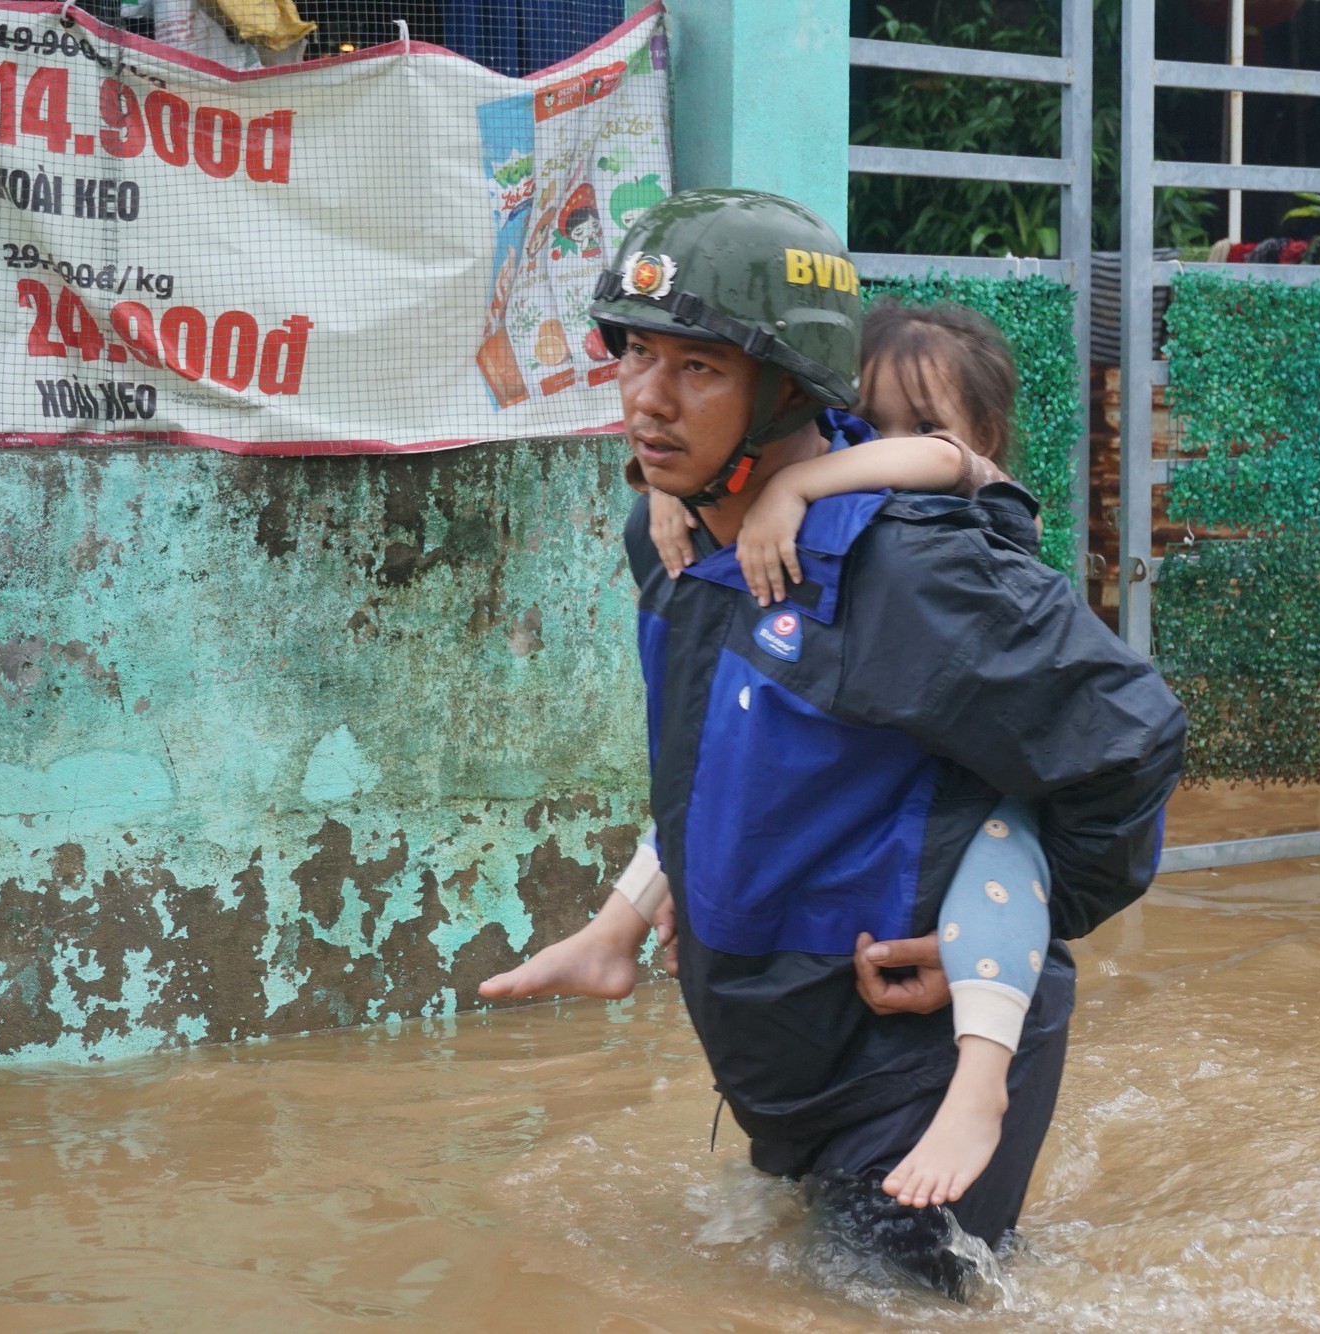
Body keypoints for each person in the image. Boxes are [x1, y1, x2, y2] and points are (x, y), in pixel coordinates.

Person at [483, 187, 1184, 1296]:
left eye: (698, 369)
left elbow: (1127, 746)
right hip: (777, 1057)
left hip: (908, 1067)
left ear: (785, 390)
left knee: (882, 1306)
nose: (647, 401)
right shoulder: (662, 530)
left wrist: (1017, 933)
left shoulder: (909, 567)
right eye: (634, 355)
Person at [484, 298, 1054, 1212]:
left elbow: (930, 459)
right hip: (880, 821)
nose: (888, 446)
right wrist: (671, 493)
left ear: (981, 435)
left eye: (919, 424)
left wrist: (793, 488)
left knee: (1003, 851)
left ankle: (979, 1084)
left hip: (982, 796)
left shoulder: (954, 491)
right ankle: (611, 932)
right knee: (719, 793)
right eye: (869, 423)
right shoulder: (826, 541)